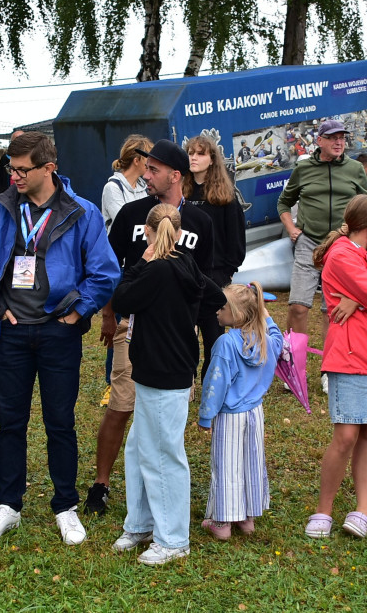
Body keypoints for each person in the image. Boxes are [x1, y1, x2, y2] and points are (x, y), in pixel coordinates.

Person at [0, 132, 119, 545]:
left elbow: (105, 272)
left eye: (22, 170)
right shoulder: (3, 208)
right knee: (10, 422)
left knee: (60, 422)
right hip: (13, 332)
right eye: (11, 169)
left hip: (59, 331)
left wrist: (78, 311)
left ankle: (66, 506)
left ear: (48, 168)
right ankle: (8, 505)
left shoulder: (82, 212)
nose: (14, 176)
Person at [87, 139, 213, 517]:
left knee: (164, 419)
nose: (145, 174)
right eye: (145, 167)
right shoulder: (131, 215)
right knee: (123, 405)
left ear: (176, 176)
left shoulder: (199, 221)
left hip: (176, 334)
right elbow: (110, 269)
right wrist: (110, 317)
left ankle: (161, 495)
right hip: (133, 325)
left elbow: (204, 283)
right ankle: (101, 483)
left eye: (154, 170)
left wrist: (205, 335)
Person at [110, 203, 225, 565]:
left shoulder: (156, 270)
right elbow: (216, 298)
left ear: (147, 232)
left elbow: (123, 298)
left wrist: (140, 262)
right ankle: (141, 522)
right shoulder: (186, 265)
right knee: (139, 447)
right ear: (177, 234)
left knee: (163, 455)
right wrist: (183, 319)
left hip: (162, 373)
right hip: (162, 369)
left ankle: (173, 538)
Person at [305, 195, 367, 541]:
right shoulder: (345, 255)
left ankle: (361, 510)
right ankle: (324, 510)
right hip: (350, 357)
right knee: (346, 435)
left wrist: (360, 297)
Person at [197, 282, 283, 541]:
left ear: (238, 313)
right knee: (251, 463)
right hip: (255, 414)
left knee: (226, 465)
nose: (217, 311)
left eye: (223, 307)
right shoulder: (266, 341)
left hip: (229, 415)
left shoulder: (225, 343)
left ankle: (222, 522)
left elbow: (216, 382)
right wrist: (265, 313)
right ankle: (247, 517)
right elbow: (279, 338)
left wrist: (205, 416)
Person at [277, 119, 367, 336]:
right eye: (333, 138)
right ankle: (294, 364)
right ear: (319, 141)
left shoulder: (355, 169)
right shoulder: (303, 168)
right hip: (308, 242)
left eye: (342, 138)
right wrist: (291, 229)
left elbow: (366, 207)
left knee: (333, 310)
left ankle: (330, 367)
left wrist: (357, 237)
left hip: (341, 245)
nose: (339, 142)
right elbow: (284, 202)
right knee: (298, 307)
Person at [184, 133, 247, 373]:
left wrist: (227, 272)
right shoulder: (181, 195)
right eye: (191, 153)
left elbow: (236, 240)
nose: (194, 158)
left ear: (212, 159)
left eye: (200, 153)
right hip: (184, 274)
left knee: (214, 335)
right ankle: (185, 380)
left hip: (215, 276)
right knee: (184, 333)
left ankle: (212, 381)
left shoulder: (225, 198)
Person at [97, 134, 151, 407]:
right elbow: (126, 222)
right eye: (149, 159)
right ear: (138, 159)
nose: (151, 167)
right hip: (118, 265)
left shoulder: (144, 187)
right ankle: (112, 382)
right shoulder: (113, 187)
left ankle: (141, 378)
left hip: (143, 263)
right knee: (119, 325)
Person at [100, 134, 150, 231]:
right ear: (136, 161)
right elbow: (124, 221)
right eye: (147, 157)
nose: (151, 162)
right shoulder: (112, 188)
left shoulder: (145, 188)